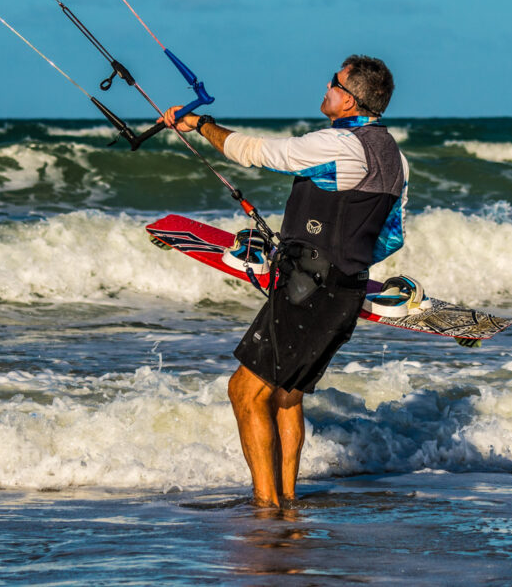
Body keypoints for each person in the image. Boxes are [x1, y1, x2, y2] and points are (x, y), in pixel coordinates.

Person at [162, 55, 407, 507]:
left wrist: (199, 124)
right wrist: (341, 262)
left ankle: (265, 506)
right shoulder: (395, 156)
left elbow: (256, 152)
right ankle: (286, 501)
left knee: (244, 389)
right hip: (342, 291)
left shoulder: (340, 145)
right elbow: (390, 238)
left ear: (349, 97)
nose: (327, 86)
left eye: (334, 82)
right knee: (286, 395)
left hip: (309, 290)